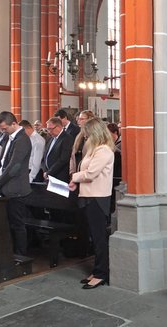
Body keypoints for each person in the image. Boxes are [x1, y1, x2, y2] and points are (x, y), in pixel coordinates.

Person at [69, 119, 115, 289]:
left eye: (87, 134)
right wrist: (75, 181)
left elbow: (91, 174)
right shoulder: (94, 149)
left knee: (99, 238)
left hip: (98, 198)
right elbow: (83, 169)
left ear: (95, 133)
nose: (85, 137)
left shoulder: (104, 150)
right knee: (93, 237)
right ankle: (96, 270)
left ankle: (101, 274)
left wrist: (74, 178)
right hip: (88, 195)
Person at [0, 111, 32, 256]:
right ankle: (7, 255)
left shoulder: (23, 139)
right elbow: (1, 162)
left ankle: (20, 256)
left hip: (16, 189)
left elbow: (14, 166)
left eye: (5, 128)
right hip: (5, 188)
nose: (2, 131)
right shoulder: (8, 137)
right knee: (6, 225)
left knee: (17, 225)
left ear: (14, 123)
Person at [42, 117, 73, 182]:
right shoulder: (51, 138)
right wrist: (45, 171)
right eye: (48, 129)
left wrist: (49, 172)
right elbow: (45, 156)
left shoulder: (67, 138)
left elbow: (63, 159)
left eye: (50, 129)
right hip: (48, 177)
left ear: (59, 127)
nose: (49, 132)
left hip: (59, 177)